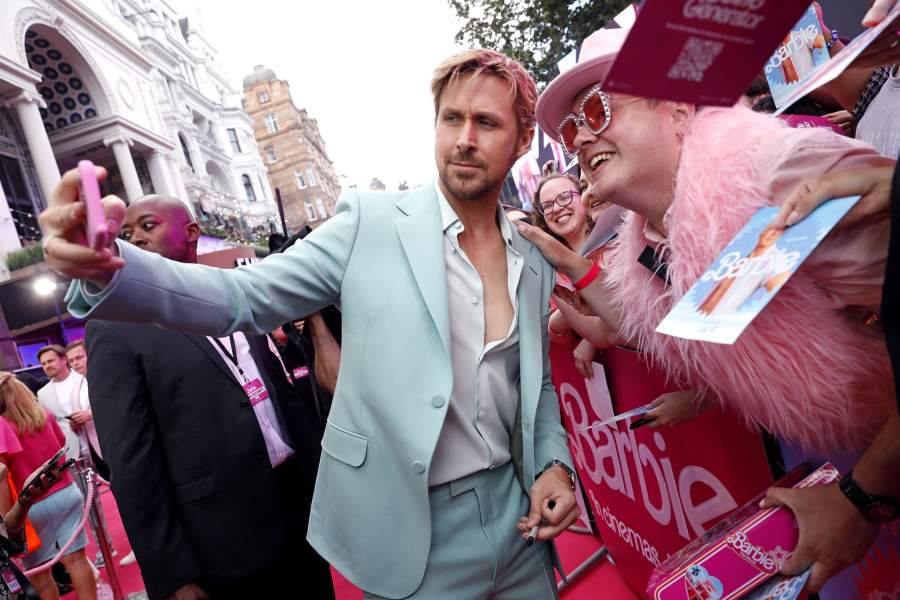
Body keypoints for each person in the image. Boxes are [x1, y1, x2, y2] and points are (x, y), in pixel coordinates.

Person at [40, 49, 577, 599]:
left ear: (519, 139)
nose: (464, 137)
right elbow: (239, 295)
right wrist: (114, 274)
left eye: (486, 122)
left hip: (521, 532)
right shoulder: (369, 224)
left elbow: (533, 387)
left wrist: (554, 464)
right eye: (451, 118)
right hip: (415, 538)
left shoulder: (531, 260)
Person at [516, 22, 896, 455]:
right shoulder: (651, 250)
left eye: (599, 110)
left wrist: (863, 497)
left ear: (678, 110)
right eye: (569, 131)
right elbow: (698, 328)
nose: (581, 138)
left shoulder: (771, 178)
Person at [82, 194, 332, 600]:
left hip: (301, 511)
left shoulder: (239, 294)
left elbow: (285, 398)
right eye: (127, 234)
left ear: (192, 232)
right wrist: (173, 573)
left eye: (149, 226)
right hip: (222, 540)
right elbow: (132, 462)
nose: (136, 239)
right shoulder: (114, 326)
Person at [0, 372, 96, 600]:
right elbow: (61, 444)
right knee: (77, 560)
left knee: (41, 576)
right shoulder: (45, 415)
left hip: (29, 507)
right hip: (66, 492)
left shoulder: (4, 427)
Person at [35, 348, 87, 463]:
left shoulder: (83, 379)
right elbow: (48, 425)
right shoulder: (42, 393)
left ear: (64, 359)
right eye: (43, 363)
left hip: (96, 440)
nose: (47, 365)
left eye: (50, 361)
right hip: (71, 450)